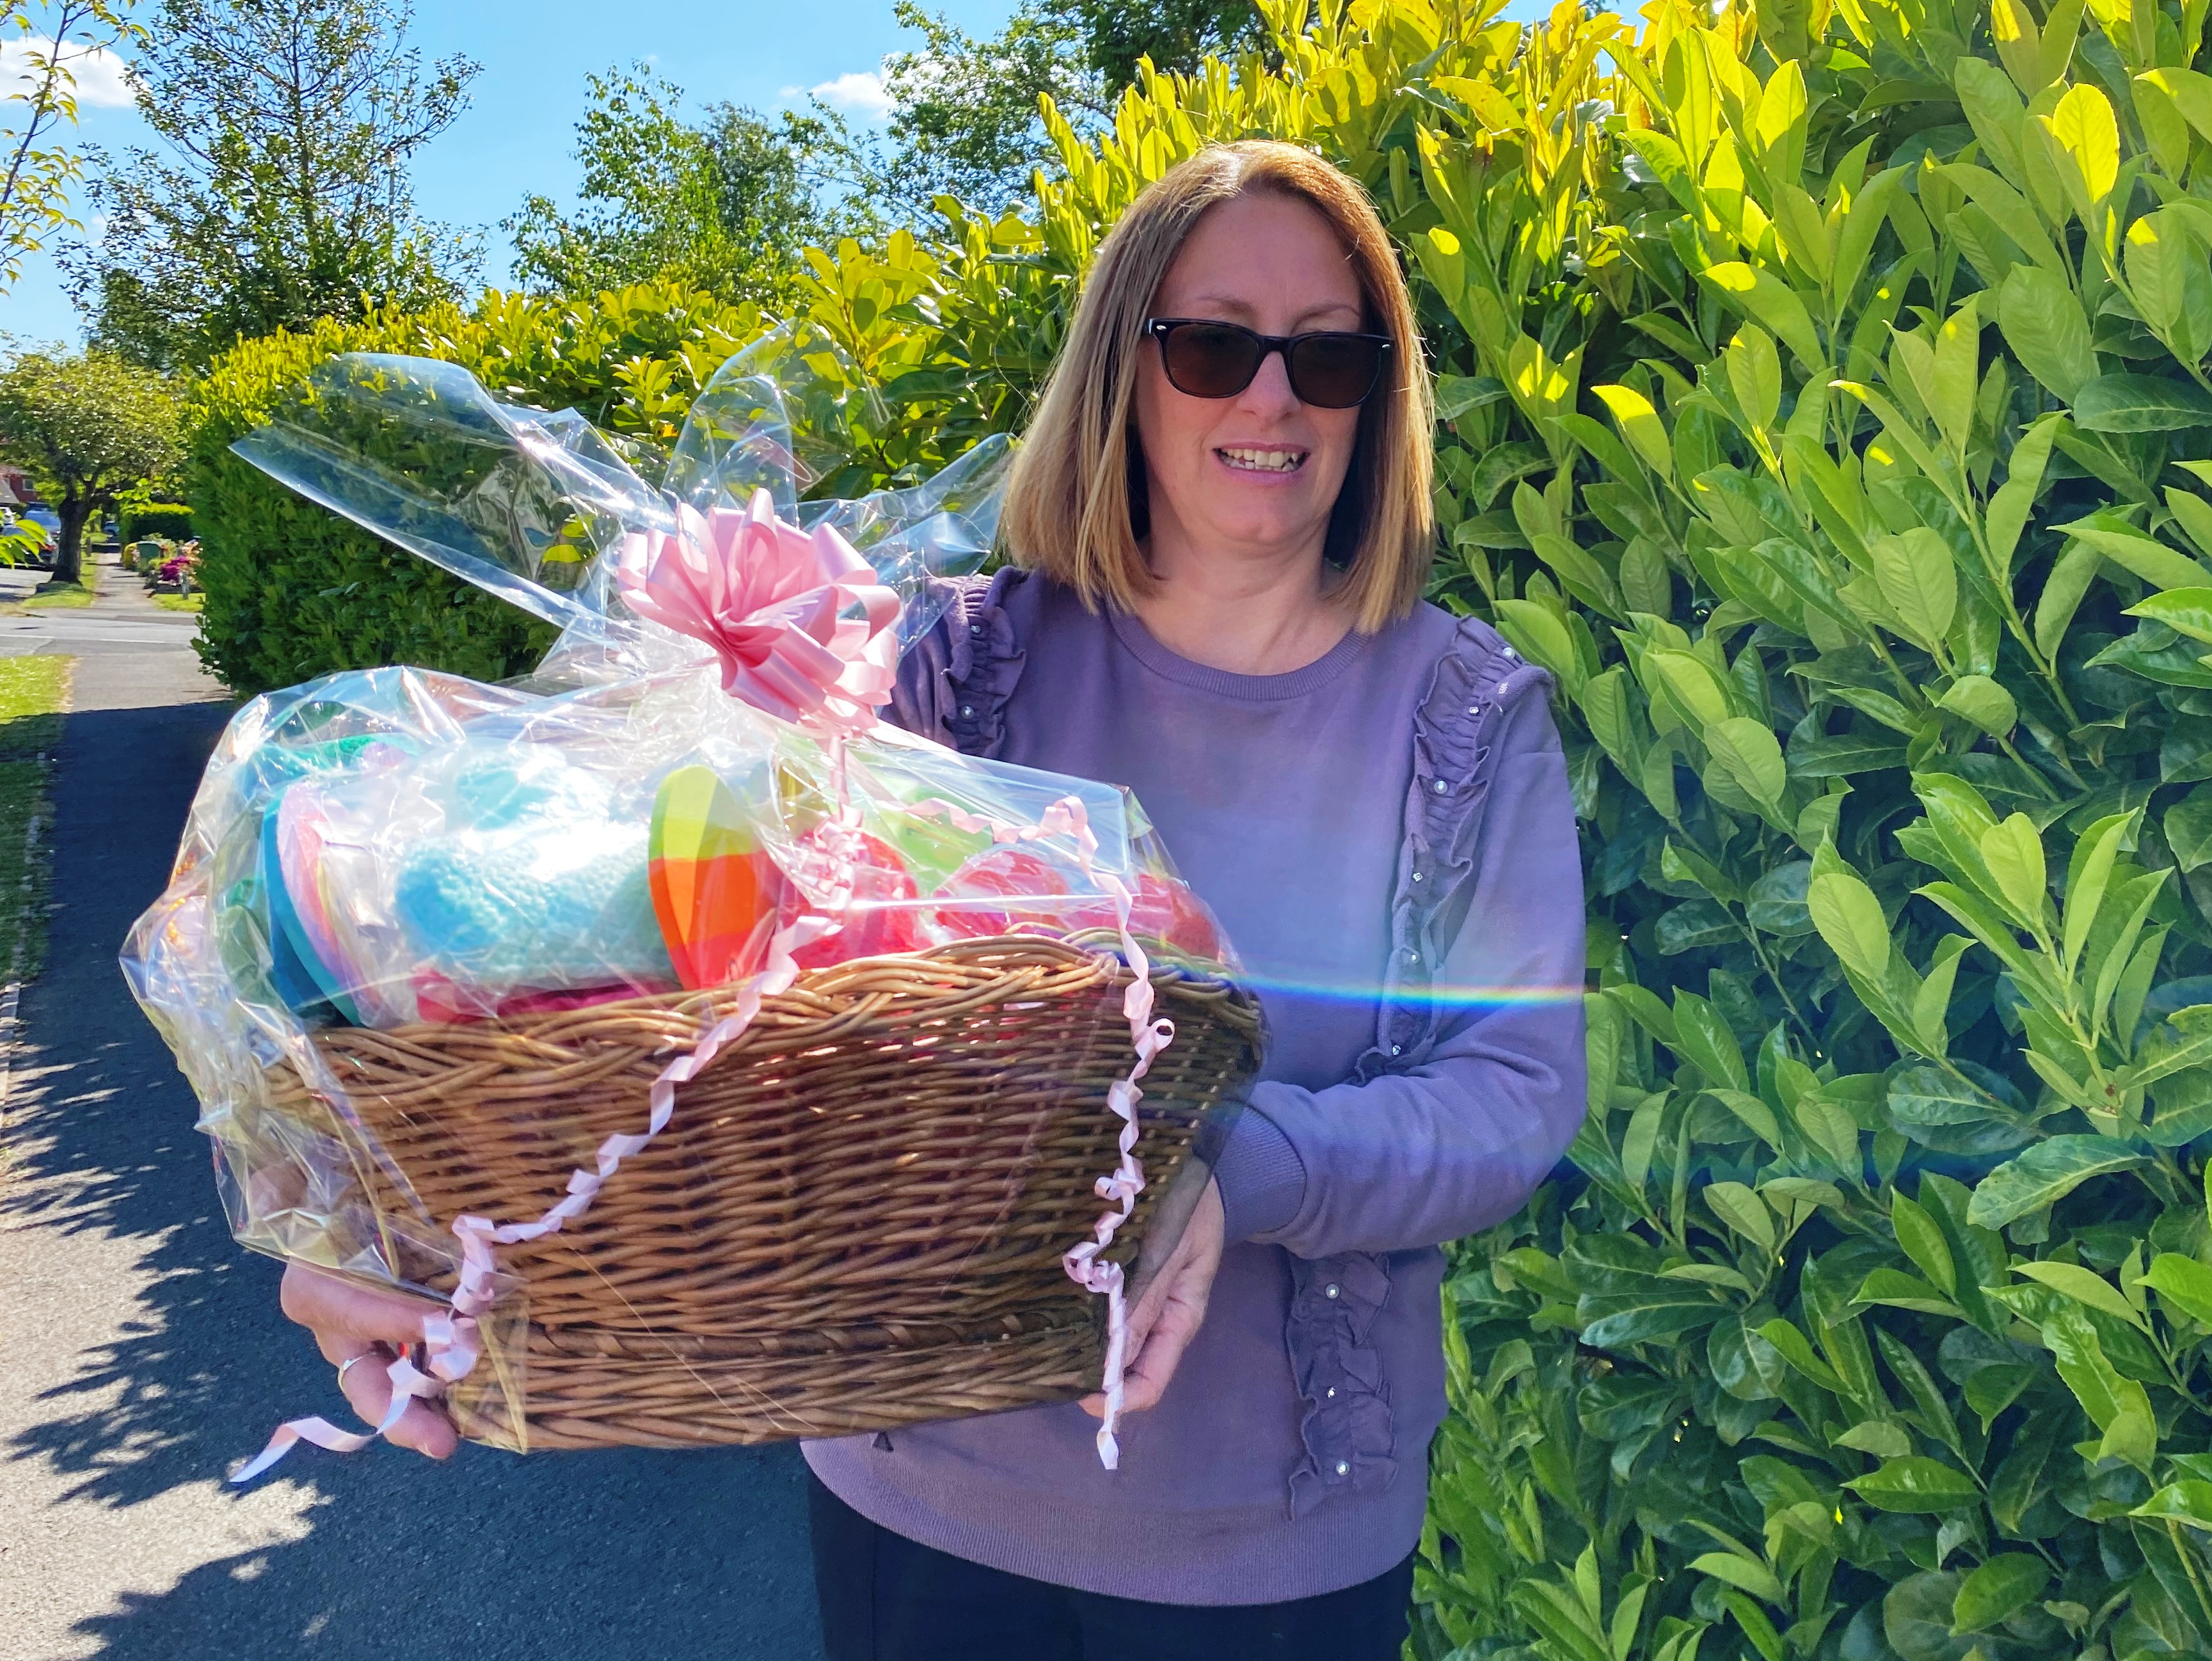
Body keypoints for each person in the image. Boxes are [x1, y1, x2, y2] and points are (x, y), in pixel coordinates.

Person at [277, 138, 1586, 1658]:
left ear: (1382, 390)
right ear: (1121, 368)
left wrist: (1232, 1168)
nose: (1270, 398)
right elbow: (656, 991)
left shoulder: (1465, 717)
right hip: (920, 1490)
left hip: (1274, 1550)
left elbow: (1509, 1094)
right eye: (1212, 343)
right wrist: (381, 1222)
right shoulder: (931, 673)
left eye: (1328, 355)